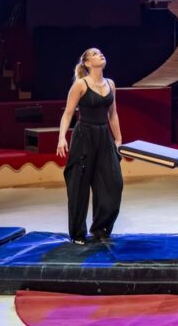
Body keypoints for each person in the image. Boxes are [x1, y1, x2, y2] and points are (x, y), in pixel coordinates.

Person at [56, 48, 124, 244]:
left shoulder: (111, 84)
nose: (100, 54)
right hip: (84, 136)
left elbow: (113, 114)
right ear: (86, 63)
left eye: (101, 53)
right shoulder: (80, 84)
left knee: (113, 183)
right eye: (94, 54)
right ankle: (78, 233)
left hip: (104, 136)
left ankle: (100, 228)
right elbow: (68, 113)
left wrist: (118, 138)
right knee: (79, 185)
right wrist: (61, 137)